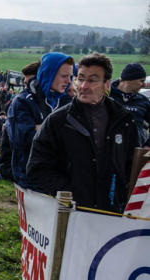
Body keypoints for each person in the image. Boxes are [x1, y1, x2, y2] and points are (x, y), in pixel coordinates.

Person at [27, 53, 140, 213]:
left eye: (92, 80)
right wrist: (69, 193)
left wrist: (121, 198)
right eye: (80, 79)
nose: (84, 86)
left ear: (107, 84)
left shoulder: (124, 121)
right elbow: (37, 168)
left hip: (112, 215)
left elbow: (132, 167)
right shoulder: (57, 122)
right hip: (71, 215)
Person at [5, 52, 74, 188]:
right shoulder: (23, 102)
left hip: (59, 179)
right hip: (30, 180)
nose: (69, 81)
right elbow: (23, 140)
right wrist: (56, 132)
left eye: (70, 76)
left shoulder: (66, 101)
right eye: (64, 76)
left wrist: (41, 128)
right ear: (49, 74)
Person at [110, 63, 150, 146]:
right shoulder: (106, 96)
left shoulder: (143, 101)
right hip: (109, 149)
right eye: (141, 81)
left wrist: (148, 145)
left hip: (135, 149)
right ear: (130, 79)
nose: (144, 85)